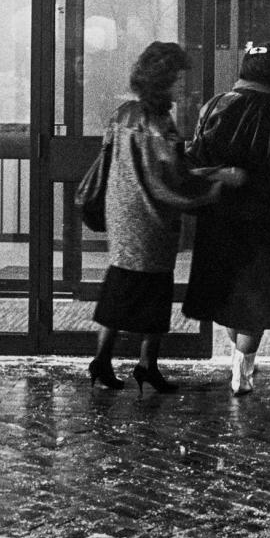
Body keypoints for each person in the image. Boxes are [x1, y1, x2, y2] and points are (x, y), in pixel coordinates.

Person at [89, 40, 245, 394]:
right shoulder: (161, 123)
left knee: (121, 284)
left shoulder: (123, 113)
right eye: (177, 78)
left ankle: (104, 359)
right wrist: (219, 180)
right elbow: (176, 175)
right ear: (162, 80)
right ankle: (145, 364)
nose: (182, 85)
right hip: (151, 218)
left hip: (122, 211)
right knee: (154, 290)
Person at [182, 41, 270, 395]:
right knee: (258, 296)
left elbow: (194, 159)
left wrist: (221, 174)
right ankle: (244, 364)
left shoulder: (214, 105)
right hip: (264, 221)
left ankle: (237, 360)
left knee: (228, 295)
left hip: (219, 217)